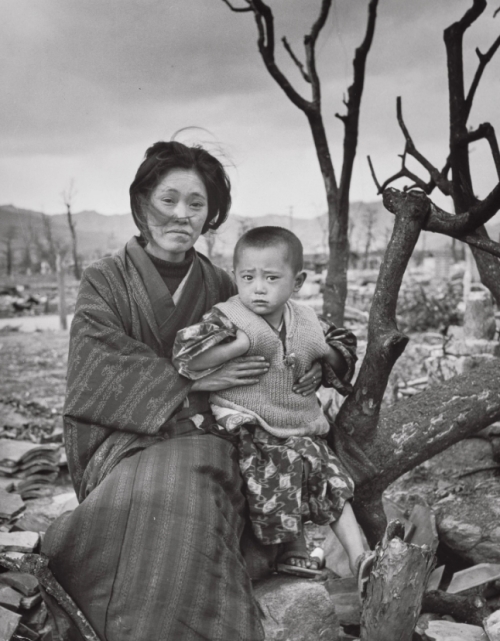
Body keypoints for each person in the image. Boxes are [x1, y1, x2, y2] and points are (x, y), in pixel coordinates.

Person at [40, 140, 325, 641]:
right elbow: (96, 368)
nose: (182, 215)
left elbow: (291, 328)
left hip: (210, 437)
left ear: (211, 214)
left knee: (193, 482)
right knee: (169, 487)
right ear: (142, 202)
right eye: (168, 199)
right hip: (121, 440)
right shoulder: (105, 280)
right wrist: (190, 380)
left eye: (198, 204)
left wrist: (320, 364)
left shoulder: (223, 284)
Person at [173, 227, 374, 589]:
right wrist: (237, 346)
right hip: (246, 421)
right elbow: (188, 357)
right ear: (235, 277)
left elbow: (343, 348)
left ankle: (361, 559)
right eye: (248, 278)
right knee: (276, 469)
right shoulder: (227, 317)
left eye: (271, 278)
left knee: (332, 478)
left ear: (297, 282)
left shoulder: (307, 319)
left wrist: (322, 354)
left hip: (296, 421)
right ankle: (285, 551)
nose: (258, 288)